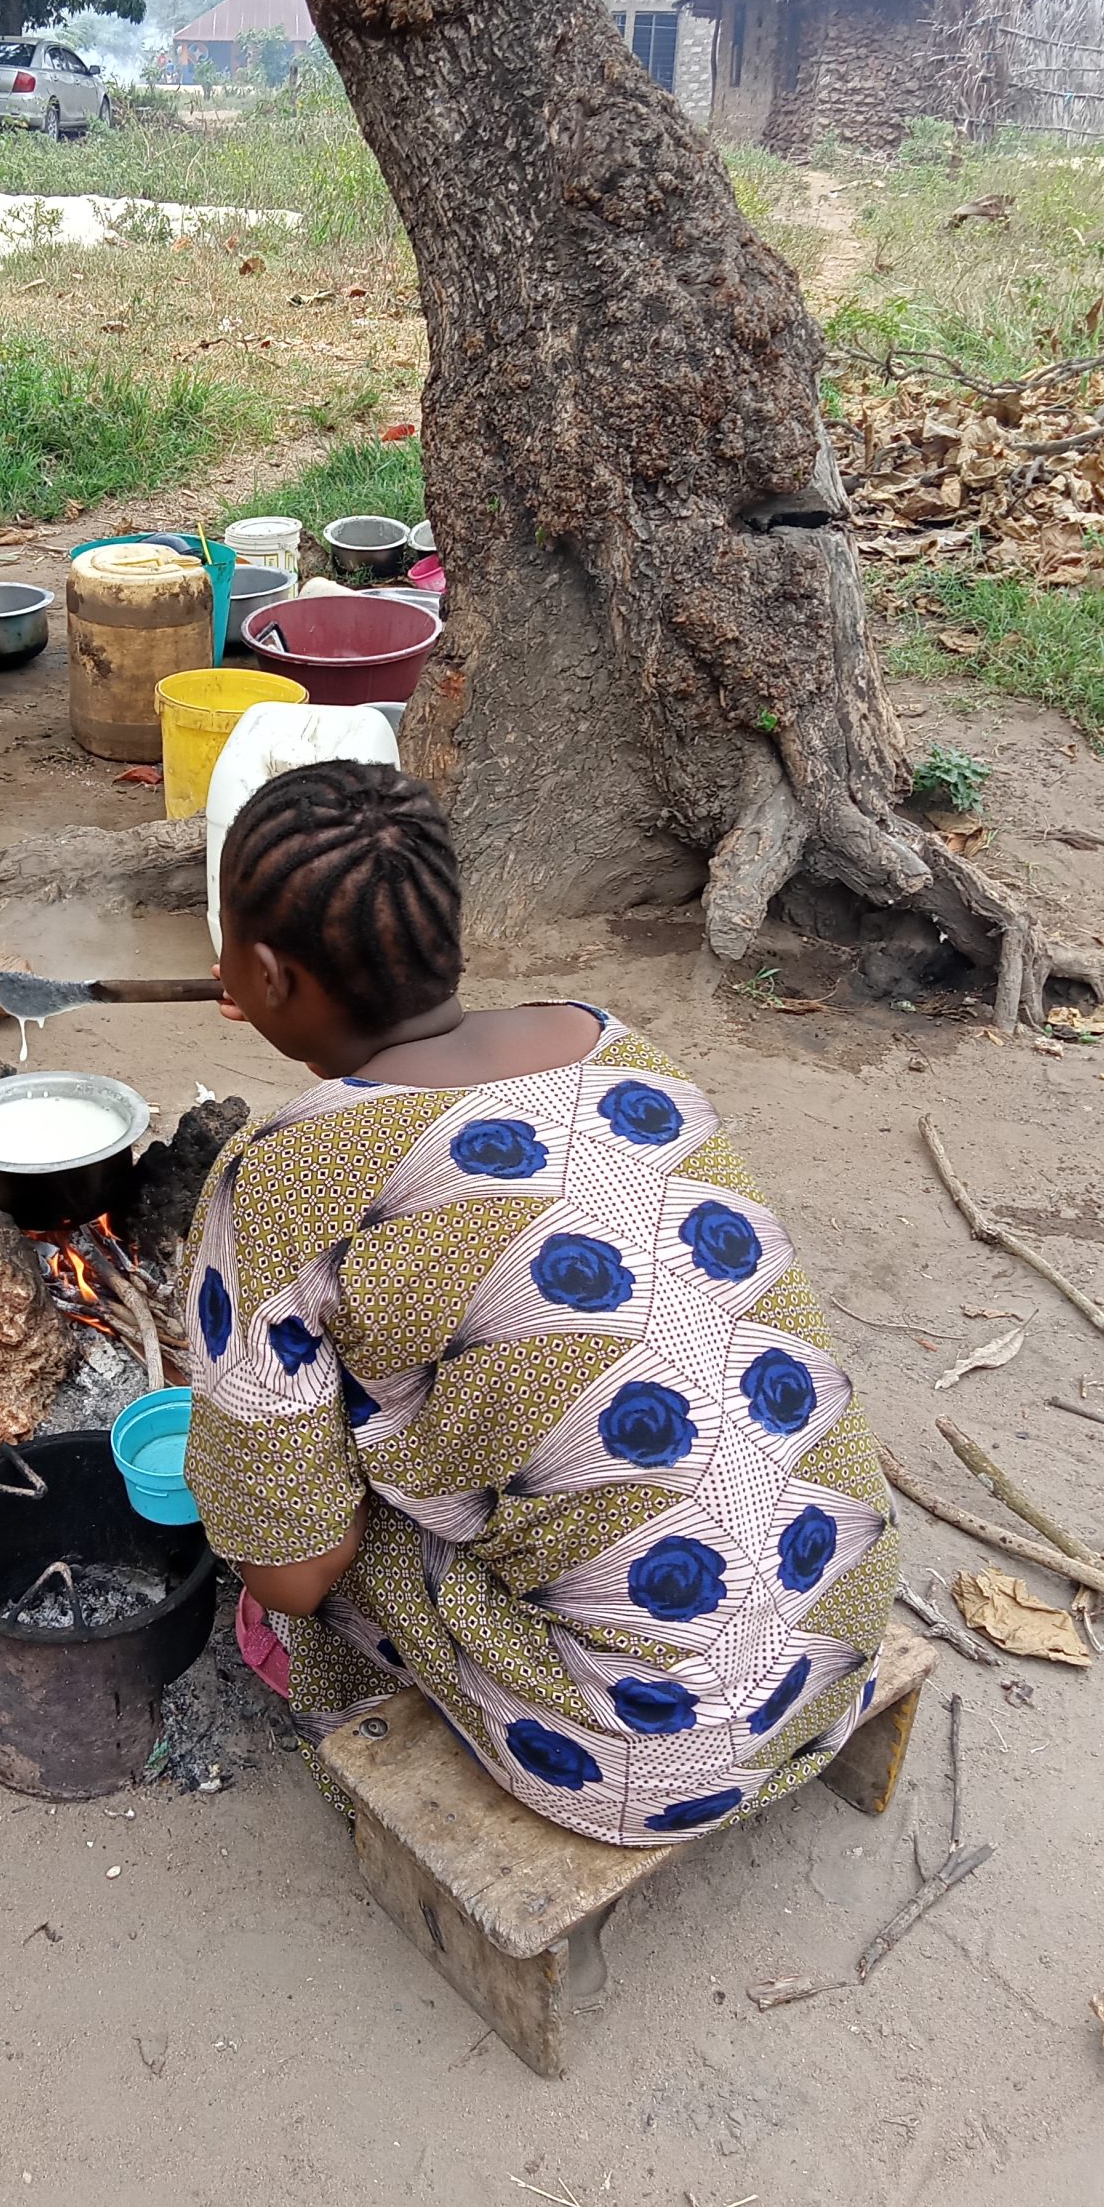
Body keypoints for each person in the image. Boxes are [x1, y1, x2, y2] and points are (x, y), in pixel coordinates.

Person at [184, 760, 896, 1848]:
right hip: (841, 1627)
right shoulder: (613, 1042)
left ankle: (370, 1715)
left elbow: (291, 1571)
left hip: (651, 1753)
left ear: (267, 976)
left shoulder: (280, 1172)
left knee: (309, 1521)